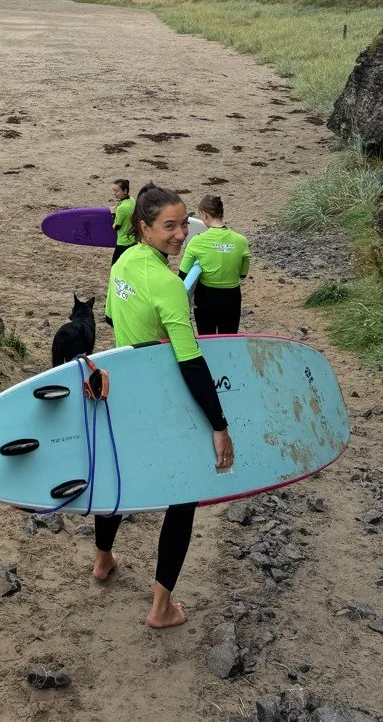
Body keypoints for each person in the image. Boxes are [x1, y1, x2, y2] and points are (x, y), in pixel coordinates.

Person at [101, 183, 234, 629]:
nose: (180, 235)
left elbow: (110, 317)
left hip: (124, 394)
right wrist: (219, 424)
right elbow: (191, 362)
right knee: (182, 498)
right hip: (163, 401)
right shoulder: (170, 285)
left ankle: (103, 560)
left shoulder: (121, 263)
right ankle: (160, 608)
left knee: (116, 484)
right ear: (144, 227)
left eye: (183, 225)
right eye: (169, 227)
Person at [178, 195, 250, 335]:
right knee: (228, 339)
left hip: (206, 297)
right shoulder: (241, 241)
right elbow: (243, 274)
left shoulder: (197, 241)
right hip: (231, 297)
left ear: (204, 214)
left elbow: (182, 274)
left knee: (207, 338)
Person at [110, 178, 135, 264]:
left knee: (115, 265)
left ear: (125, 191)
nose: (114, 194)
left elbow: (116, 226)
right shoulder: (132, 200)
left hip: (123, 242)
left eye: (116, 191)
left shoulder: (122, 208)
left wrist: (113, 213)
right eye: (113, 191)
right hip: (133, 239)